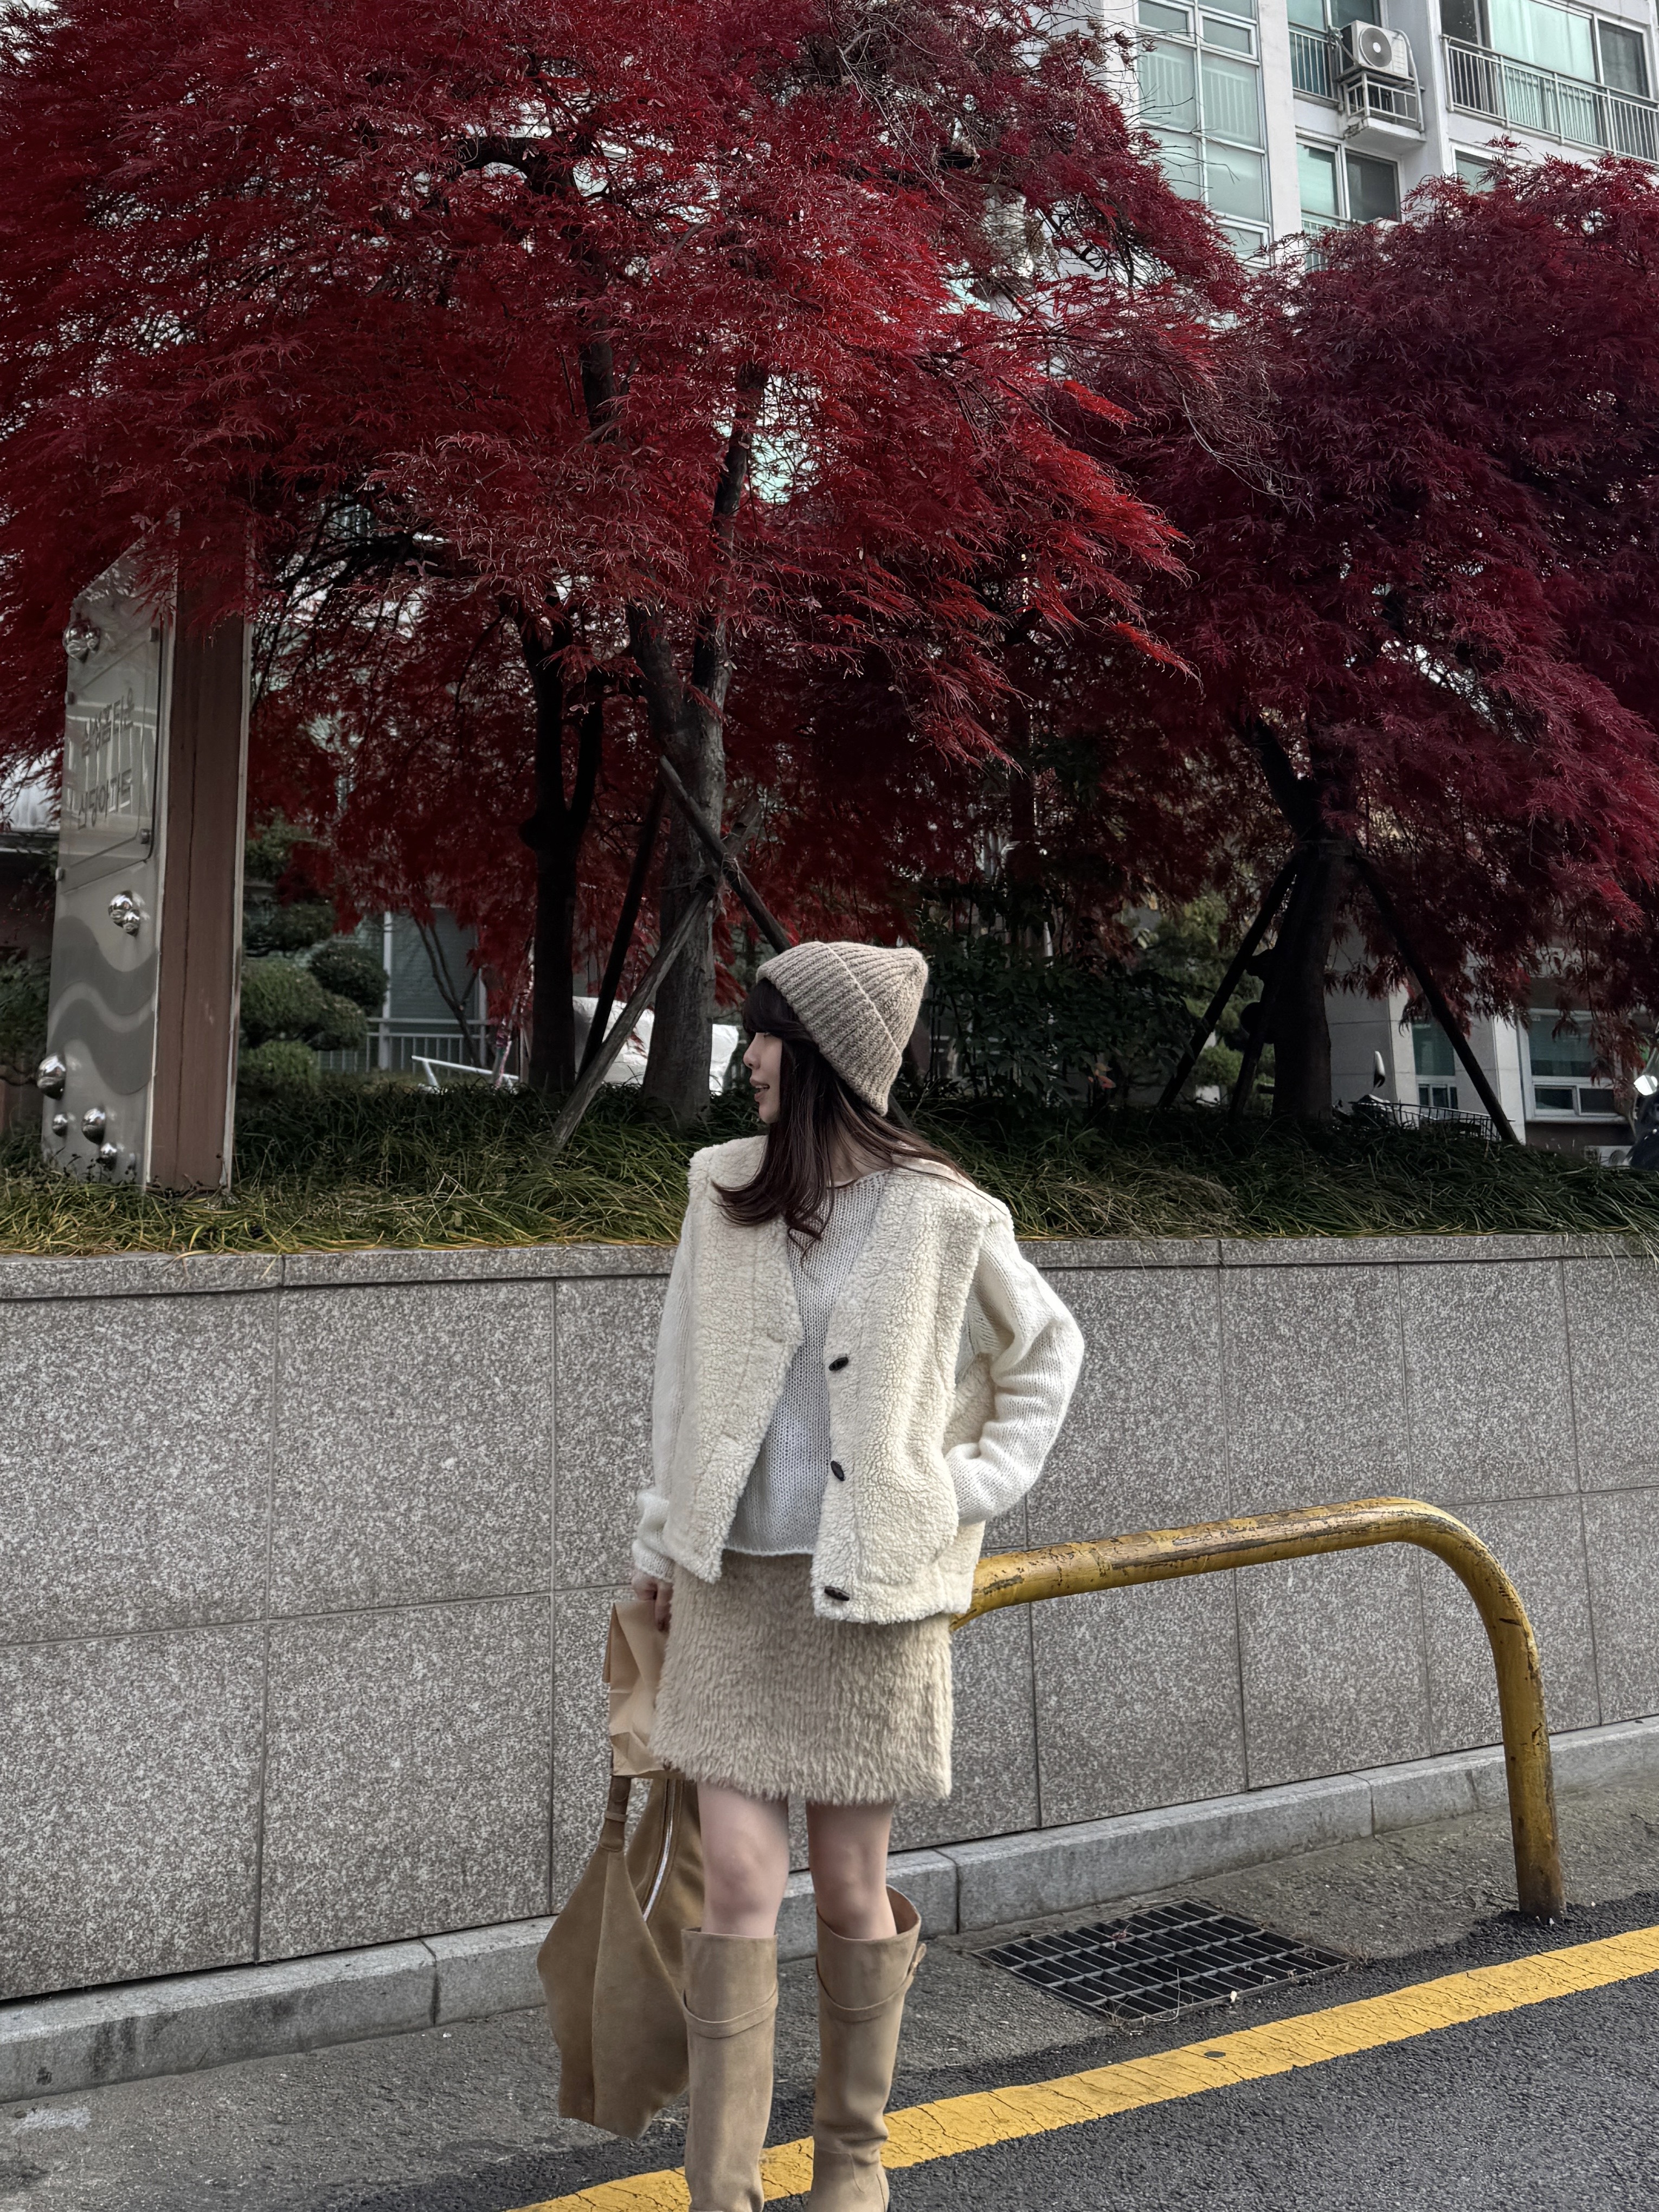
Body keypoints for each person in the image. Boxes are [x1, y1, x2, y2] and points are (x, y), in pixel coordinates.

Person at [630, 939, 1084, 2212]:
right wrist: (658, 1546)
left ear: (826, 1055)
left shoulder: (944, 1212)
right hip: (733, 1587)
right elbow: (677, 1383)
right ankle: (721, 2192)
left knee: (844, 1884)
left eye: (770, 1034)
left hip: (867, 1595)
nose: (751, 1057)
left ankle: (851, 2166)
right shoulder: (721, 1189)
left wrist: (958, 1489)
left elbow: (1048, 1353)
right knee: (734, 1881)